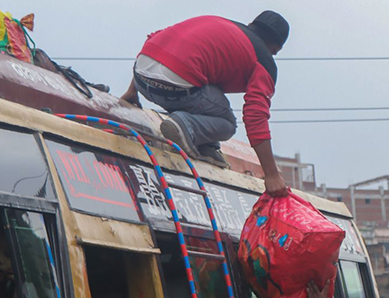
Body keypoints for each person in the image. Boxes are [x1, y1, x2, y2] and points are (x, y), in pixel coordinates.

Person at [120, 11, 290, 194]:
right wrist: (271, 174)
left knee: (211, 92)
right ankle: (185, 125)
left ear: (251, 24)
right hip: (175, 87)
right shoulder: (264, 61)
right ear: (275, 49)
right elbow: (255, 115)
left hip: (141, 76)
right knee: (227, 123)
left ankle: (206, 144)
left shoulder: (220, 23)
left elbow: (155, 41)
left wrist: (132, 91)